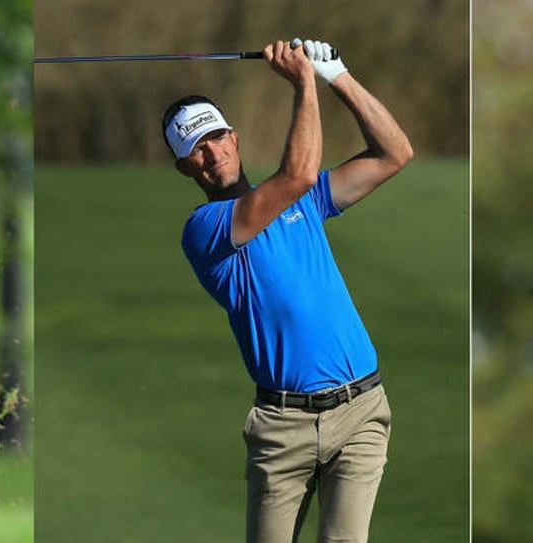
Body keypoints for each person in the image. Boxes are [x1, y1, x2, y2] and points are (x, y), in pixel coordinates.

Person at [163, 38, 412, 542]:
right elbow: (295, 176)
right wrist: (303, 82)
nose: (212, 154)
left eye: (216, 137)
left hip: (361, 409)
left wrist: (336, 74)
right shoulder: (205, 229)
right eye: (196, 149)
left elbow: (395, 153)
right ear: (185, 167)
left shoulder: (309, 201)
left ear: (234, 138)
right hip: (282, 428)